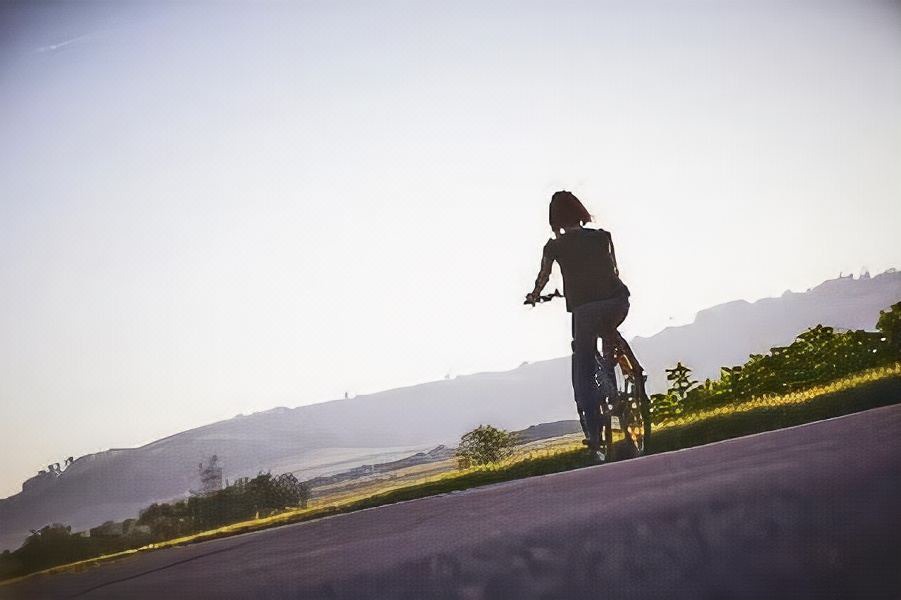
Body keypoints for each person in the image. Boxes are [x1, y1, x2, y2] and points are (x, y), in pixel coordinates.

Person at [525, 190, 631, 461]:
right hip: (618, 303)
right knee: (607, 333)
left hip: (584, 312)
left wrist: (534, 296)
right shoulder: (603, 237)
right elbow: (614, 271)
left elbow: (543, 277)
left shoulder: (554, 247)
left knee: (583, 369)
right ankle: (614, 373)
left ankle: (595, 436)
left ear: (555, 218)